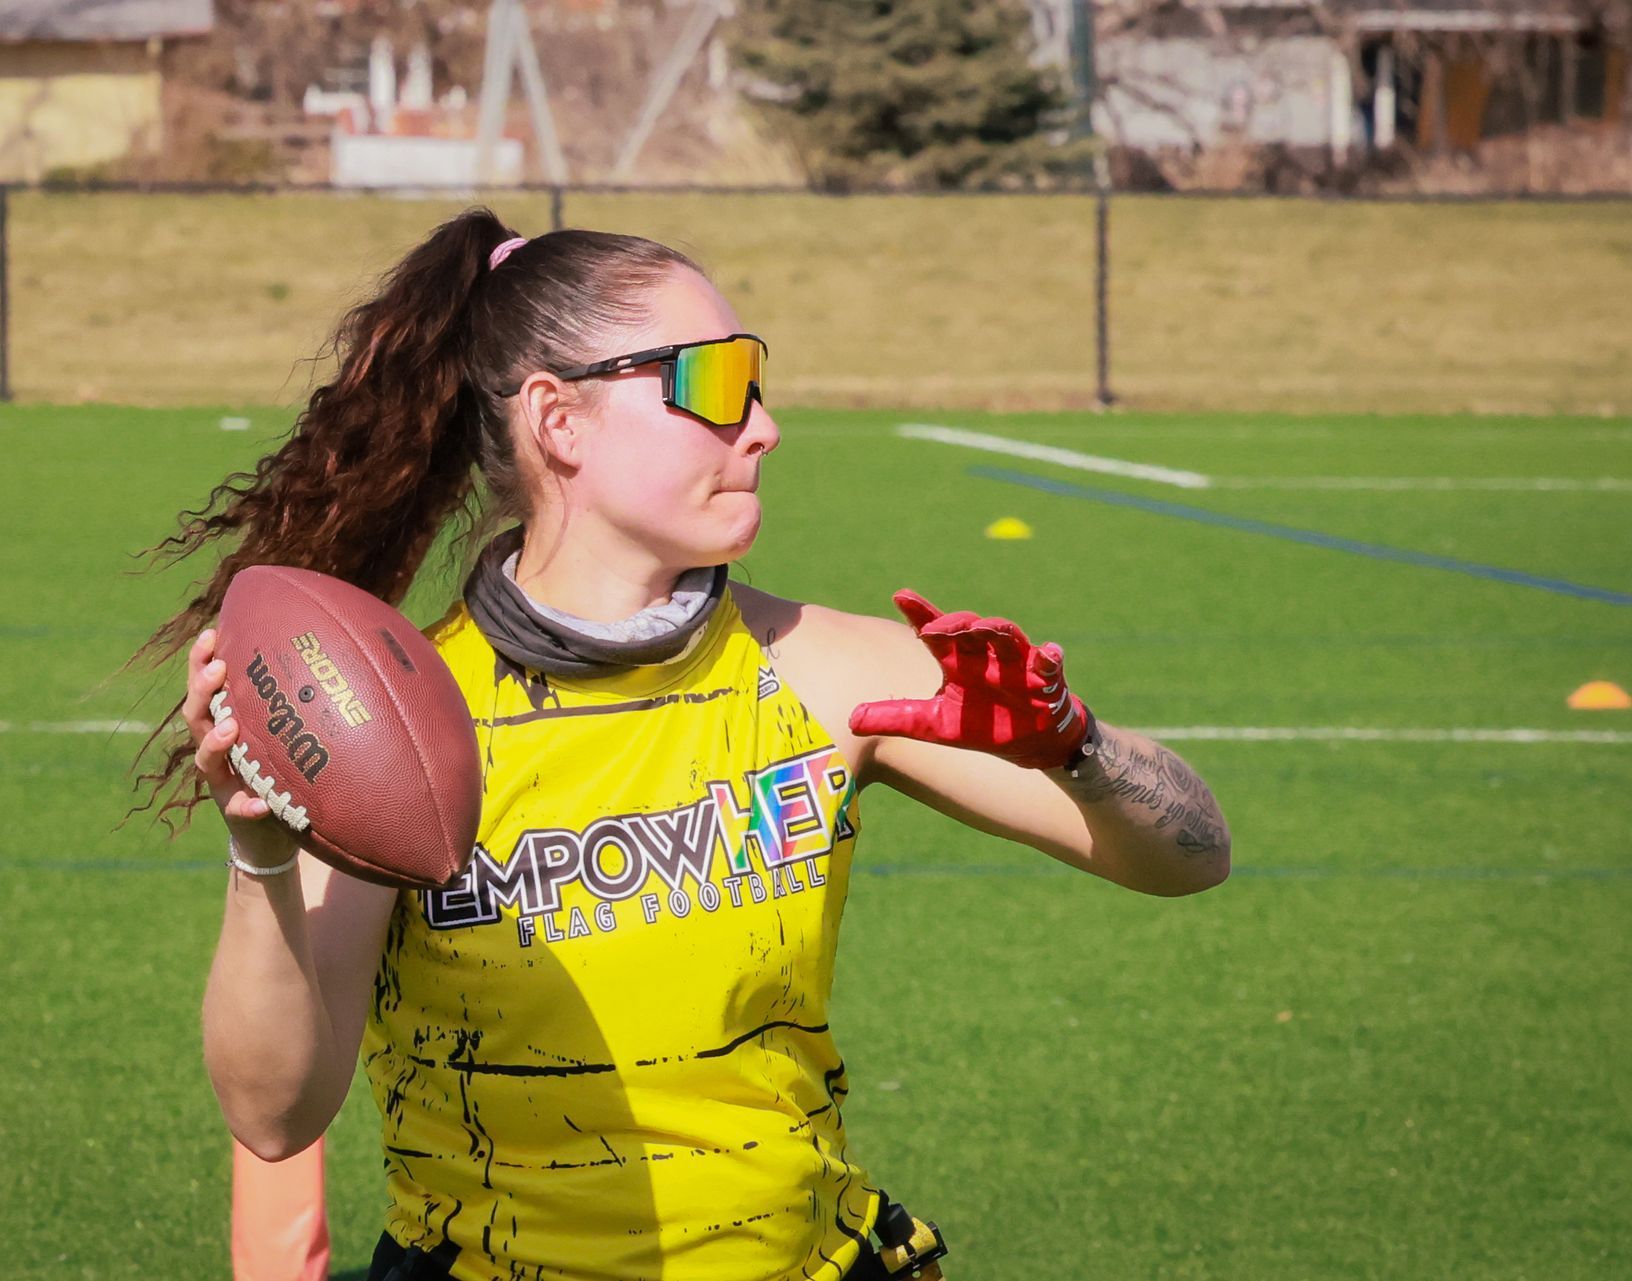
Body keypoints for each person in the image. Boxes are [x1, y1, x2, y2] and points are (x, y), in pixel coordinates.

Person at [132, 208, 1231, 1281]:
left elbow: (1194, 858)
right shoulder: (408, 736)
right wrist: (260, 857)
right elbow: (274, 1114)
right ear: (559, 420)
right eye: (713, 381)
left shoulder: (823, 670)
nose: (763, 426)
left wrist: (1074, 745)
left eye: (757, 378)